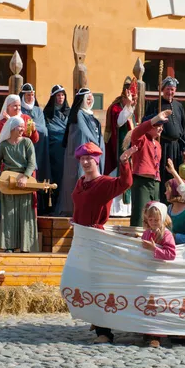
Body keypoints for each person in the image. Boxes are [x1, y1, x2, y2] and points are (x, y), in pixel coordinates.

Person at [71, 141, 136, 344]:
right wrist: (74, 219)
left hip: (95, 238)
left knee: (96, 283)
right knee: (81, 281)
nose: (86, 162)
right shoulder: (80, 182)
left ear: (97, 160)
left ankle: (104, 332)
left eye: (89, 158)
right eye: (82, 158)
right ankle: (94, 318)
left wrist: (124, 162)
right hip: (80, 237)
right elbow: (79, 204)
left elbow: (125, 183)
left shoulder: (105, 183)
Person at [0, 117, 38, 252]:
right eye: (19, 127)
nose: (22, 129)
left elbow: (31, 163)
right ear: (12, 129)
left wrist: (25, 177)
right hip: (7, 181)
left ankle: (25, 245)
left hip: (24, 182)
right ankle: (8, 245)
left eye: (23, 127)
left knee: (24, 212)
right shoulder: (3, 145)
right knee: (8, 214)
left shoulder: (27, 143)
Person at [57, 88, 105, 216]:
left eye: (91, 98)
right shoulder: (78, 116)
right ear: (81, 100)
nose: (90, 100)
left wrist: (99, 147)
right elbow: (82, 136)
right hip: (83, 157)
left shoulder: (91, 116)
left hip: (94, 155)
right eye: (87, 98)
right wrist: (95, 146)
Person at [144, 76, 185, 203]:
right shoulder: (154, 105)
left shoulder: (179, 106)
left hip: (176, 146)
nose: (170, 92)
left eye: (172, 89)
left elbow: (183, 128)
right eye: (168, 89)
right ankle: (162, 201)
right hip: (162, 144)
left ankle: (174, 201)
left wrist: (184, 147)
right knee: (162, 174)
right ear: (162, 90)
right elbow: (146, 123)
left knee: (174, 174)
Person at [140, 201, 176, 348]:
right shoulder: (147, 233)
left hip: (160, 273)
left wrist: (154, 249)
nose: (154, 222)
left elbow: (171, 254)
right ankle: (146, 331)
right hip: (148, 272)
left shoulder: (166, 234)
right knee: (146, 300)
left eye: (156, 220)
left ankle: (157, 335)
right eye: (151, 220)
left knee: (157, 302)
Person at [129, 109, 171, 226]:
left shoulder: (157, 144)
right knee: (140, 214)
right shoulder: (140, 139)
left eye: (162, 126)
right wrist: (156, 118)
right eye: (157, 125)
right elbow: (138, 131)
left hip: (155, 183)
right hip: (142, 182)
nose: (161, 128)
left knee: (155, 214)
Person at [103, 77, 138, 216]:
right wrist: (129, 105)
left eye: (135, 99)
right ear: (125, 95)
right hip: (116, 150)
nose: (134, 101)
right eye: (131, 98)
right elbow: (119, 122)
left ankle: (125, 210)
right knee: (117, 178)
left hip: (129, 151)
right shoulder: (116, 108)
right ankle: (115, 210)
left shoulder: (130, 109)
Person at [20, 83, 51, 215]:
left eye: (32, 94)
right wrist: (32, 127)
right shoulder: (19, 109)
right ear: (23, 95)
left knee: (41, 175)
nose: (30, 97)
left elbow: (43, 129)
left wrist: (31, 126)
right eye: (28, 95)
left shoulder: (38, 110)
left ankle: (42, 207)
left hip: (39, 147)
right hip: (25, 148)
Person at [42, 85, 70, 210]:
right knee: (55, 178)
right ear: (53, 97)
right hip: (53, 152)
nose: (61, 98)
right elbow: (47, 130)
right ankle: (53, 206)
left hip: (67, 151)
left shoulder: (70, 113)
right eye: (58, 95)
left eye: (63, 95)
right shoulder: (46, 113)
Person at [165, 178, 185, 244]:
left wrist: (175, 237)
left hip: (184, 250)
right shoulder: (169, 208)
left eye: (167, 190)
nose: (165, 193)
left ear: (175, 191)